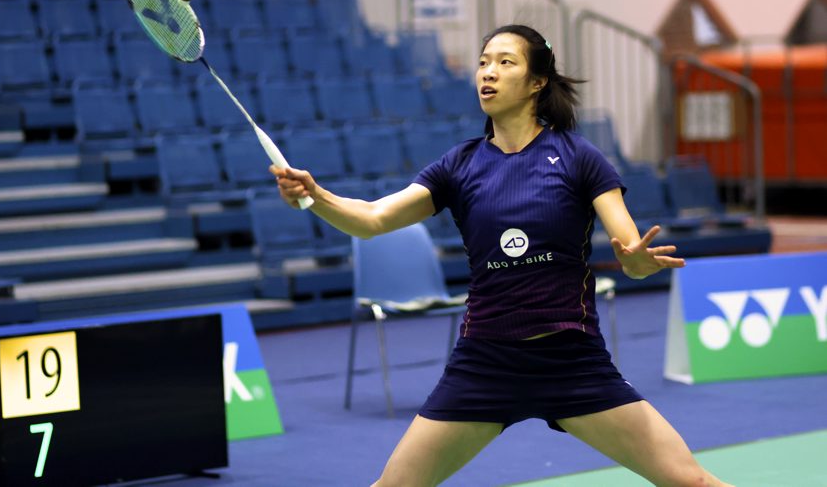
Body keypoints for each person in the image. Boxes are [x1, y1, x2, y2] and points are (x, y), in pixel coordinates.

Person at [271, 24, 732, 487]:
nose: (488, 73)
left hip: (570, 361)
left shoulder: (579, 157)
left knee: (689, 481)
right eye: (483, 62)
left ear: (537, 82)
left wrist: (636, 262)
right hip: (485, 363)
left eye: (505, 62)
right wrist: (315, 197)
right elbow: (372, 219)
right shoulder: (460, 165)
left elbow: (628, 244)